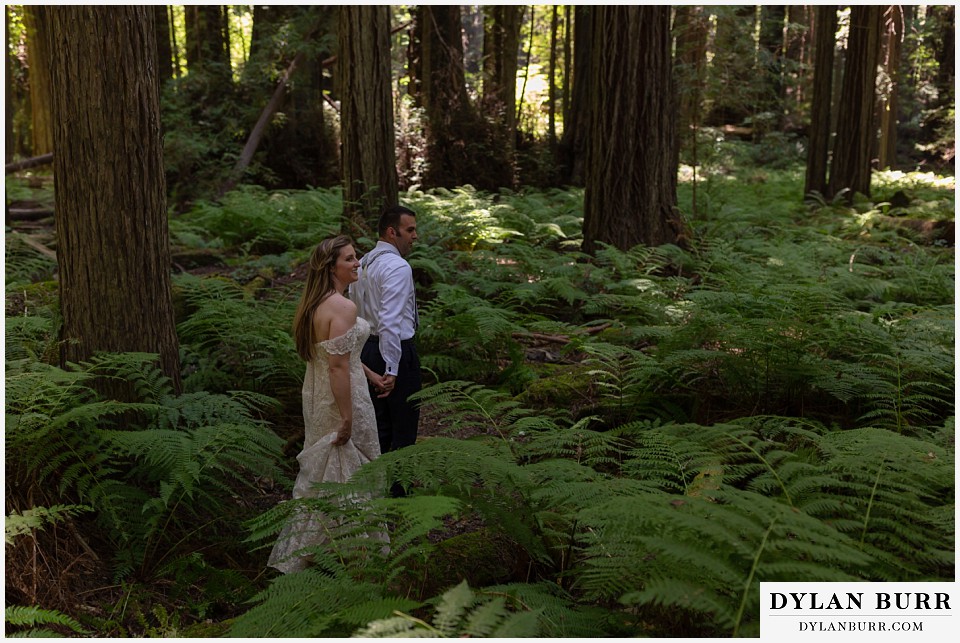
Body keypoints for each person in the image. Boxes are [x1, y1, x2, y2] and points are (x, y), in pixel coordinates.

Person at [268, 235, 387, 574]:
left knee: (325, 473)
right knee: (348, 468)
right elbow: (337, 367)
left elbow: (339, 354)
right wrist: (348, 418)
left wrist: (373, 375)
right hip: (341, 397)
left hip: (319, 393)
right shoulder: (344, 307)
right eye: (349, 259)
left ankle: (323, 549)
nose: (356, 263)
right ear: (331, 267)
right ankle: (354, 552)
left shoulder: (315, 303)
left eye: (356, 257)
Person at [352, 205, 423, 484]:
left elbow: (358, 312)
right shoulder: (397, 266)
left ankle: (373, 488)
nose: (415, 236)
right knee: (403, 427)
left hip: (368, 348)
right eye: (410, 230)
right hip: (394, 353)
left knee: (378, 425)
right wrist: (393, 368)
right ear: (392, 232)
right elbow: (390, 321)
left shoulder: (364, 261)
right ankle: (398, 492)